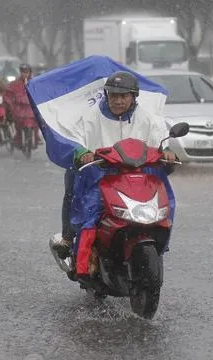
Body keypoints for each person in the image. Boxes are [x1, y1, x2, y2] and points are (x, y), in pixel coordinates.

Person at [50, 71, 177, 280]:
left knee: (162, 202)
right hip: (98, 176)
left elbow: (160, 143)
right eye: (113, 96)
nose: (118, 101)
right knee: (80, 197)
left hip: (136, 178)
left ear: (133, 97)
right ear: (106, 96)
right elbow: (74, 139)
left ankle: (157, 243)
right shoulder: (89, 117)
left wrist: (168, 154)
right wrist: (81, 153)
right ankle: (70, 241)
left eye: (123, 96)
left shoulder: (148, 119)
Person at [5, 63, 41, 148]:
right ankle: (18, 140)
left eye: (26, 72)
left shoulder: (34, 83)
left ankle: (36, 138)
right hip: (19, 109)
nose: (24, 74)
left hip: (31, 109)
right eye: (22, 72)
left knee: (37, 122)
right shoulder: (14, 84)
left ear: (29, 72)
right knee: (17, 124)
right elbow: (8, 93)